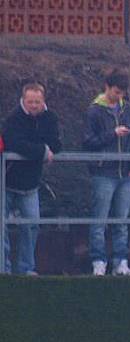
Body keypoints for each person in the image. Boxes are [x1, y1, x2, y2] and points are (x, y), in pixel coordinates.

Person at [82, 68, 130, 276]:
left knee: (121, 220)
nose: (118, 96)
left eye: (122, 93)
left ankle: (120, 262)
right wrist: (112, 134)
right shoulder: (94, 111)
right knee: (100, 220)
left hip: (125, 175)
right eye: (116, 91)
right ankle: (98, 261)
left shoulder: (128, 109)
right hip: (103, 172)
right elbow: (88, 142)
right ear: (106, 87)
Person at [1, 82, 62, 275]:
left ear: (43, 100)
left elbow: (56, 143)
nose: (33, 105)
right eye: (30, 102)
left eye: (37, 101)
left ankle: (26, 269)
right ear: (23, 100)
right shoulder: (13, 118)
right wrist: (42, 150)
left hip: (31, 184)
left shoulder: (50, 118)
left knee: (31, 226)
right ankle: (4, 269)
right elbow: (14, 142)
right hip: (7, 182)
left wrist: (40, 148)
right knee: (1, 228)